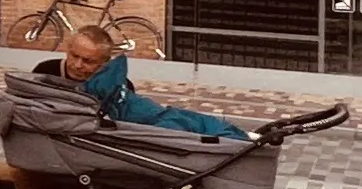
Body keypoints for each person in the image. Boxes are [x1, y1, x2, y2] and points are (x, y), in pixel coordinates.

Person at [57, 25, 244, 141]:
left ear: (104, 64)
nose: (77, 65)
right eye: (74, 56)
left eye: (88, 61)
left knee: (179, 122)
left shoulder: (119, 86)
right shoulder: (46, 71)